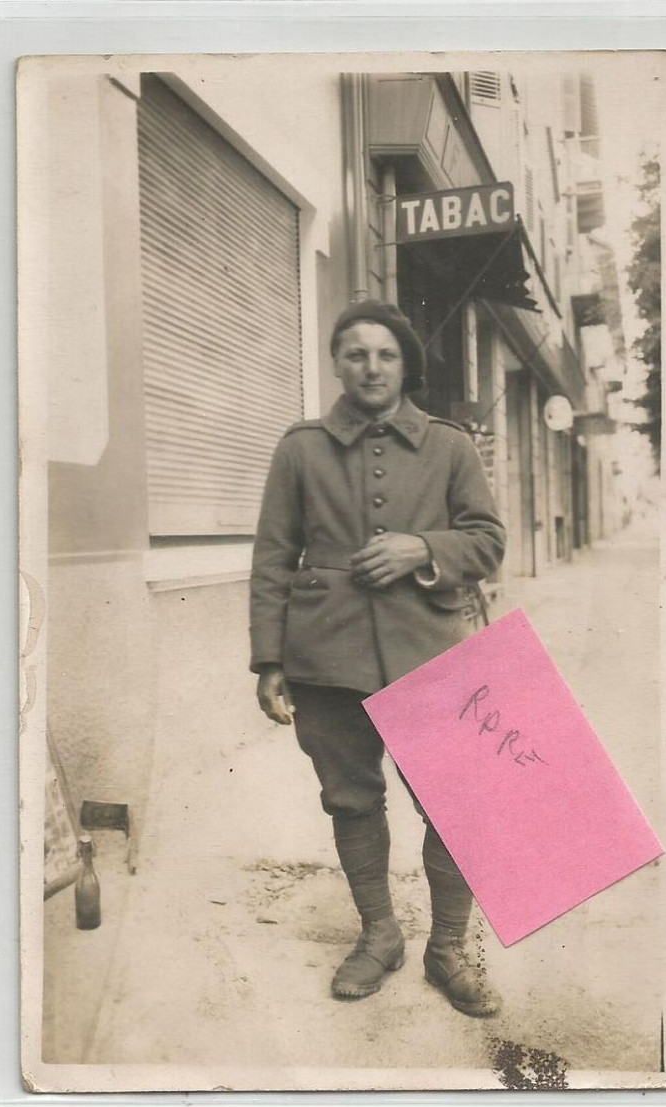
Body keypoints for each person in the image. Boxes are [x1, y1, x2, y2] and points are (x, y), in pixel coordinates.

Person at [249, 300, 506, 1016]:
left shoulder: (450, 446)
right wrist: (269, 660)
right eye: (355, 354)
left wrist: (422, 549)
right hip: (323, 659)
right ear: (336, 363)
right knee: (350, 798)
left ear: (404, 365)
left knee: (454, 803)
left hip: (430, 653)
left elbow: (487, 539)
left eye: (384, 354)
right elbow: (272, 557)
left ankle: (448, 946)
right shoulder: (299, 447)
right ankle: (379, 934)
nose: (370, 367)